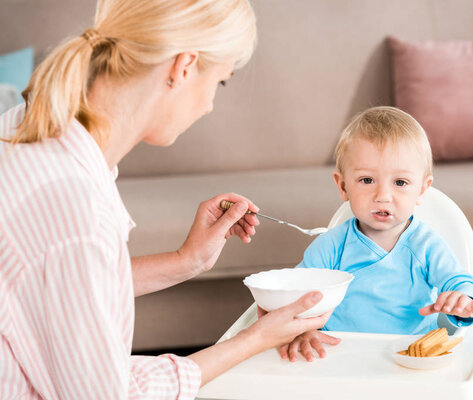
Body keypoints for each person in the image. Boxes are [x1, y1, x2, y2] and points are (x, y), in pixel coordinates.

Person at [0, 0, 330, 398]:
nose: (209, 105)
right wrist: (251, 340)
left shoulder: (23, 125)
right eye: (220, 82)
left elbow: (63, 287)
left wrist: (184, 262)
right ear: (183, 66)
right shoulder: (75, 208)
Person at [280, 106, 473, 362]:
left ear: (422, 190)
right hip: (340, 354)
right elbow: (298, 296)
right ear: (343, 186)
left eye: (400, 183)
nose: (383, 196)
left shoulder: (426, 245)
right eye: (367, 180)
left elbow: (461, 282)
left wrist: (462, 300)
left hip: (411, 354)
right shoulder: (331, 246)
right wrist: (304, 330)